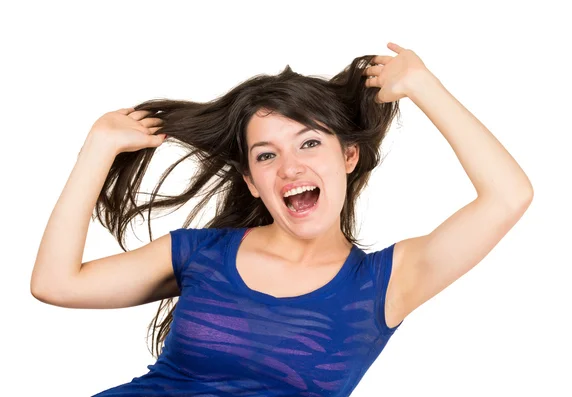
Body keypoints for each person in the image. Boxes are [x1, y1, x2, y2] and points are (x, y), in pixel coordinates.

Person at [30, 42, 533, 396]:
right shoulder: (201, 253)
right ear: (251, 180)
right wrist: (97, 148)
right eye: (266, 156)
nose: (291, 167)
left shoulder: (386, 283)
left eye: (310, 143)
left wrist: (424, 86)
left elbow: (507, 196)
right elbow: (56, 284)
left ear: (349, 158)